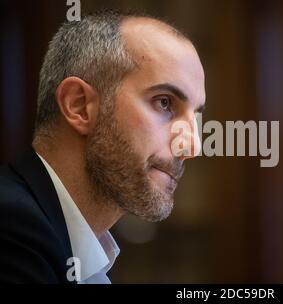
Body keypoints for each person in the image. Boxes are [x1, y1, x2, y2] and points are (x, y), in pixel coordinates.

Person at [0, 10, 205, 283]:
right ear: (79, 106)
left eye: (196, 117)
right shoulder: (12, 232)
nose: (191, 146)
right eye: (165, 103)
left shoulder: (80, 252)